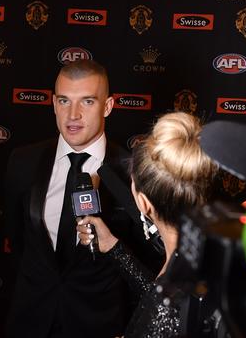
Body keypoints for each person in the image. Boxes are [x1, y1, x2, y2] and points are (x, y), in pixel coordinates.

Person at [4, 59, 158, 338]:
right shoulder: (23, 162)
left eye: (87, 101)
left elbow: (147, 263)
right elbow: (17, 242)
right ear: (53, 104)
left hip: (100, 326)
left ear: (108, 106)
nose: (73, 114)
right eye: (64, 101)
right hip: (30, 322)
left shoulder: (133, 173)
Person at [76, 112, 219, 337]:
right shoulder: (206, 261)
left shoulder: (168, 304)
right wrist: (114, 248)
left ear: (143, 202)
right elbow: (164, 297)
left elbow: (165, 310)